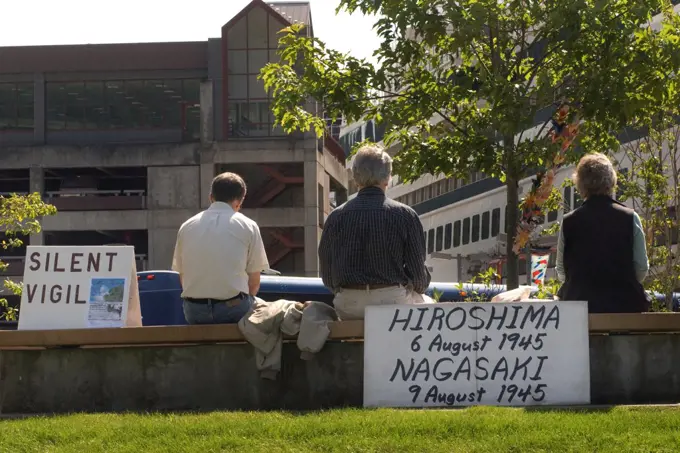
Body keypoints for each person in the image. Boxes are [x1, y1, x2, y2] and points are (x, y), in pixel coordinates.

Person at [318, 144, 432, 320]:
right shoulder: (405, 215)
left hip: (349, 304)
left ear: (356, 178)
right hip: (392, 303)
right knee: (430, 306)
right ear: (387, 178)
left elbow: (327, 276)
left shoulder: (335, 217)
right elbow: (419, 279)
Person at [556, 153, 650, 313]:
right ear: (611, 180)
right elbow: (641, 268)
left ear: (580, 183)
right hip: (625, 309)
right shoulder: (630, 217)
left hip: (581, 310)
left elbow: (561, 271)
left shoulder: (569, 221)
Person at [172, 172, 270, 324]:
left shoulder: (187, 226)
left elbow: (182, 276)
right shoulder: (248, 225)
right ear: (239, 202)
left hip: (194, 311)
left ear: (211, 197)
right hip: (234, 308)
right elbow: (254, 282)